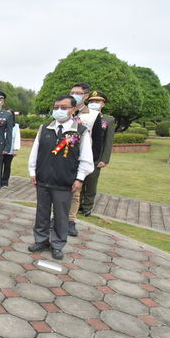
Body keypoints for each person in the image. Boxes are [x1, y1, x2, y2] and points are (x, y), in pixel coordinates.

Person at [28, 95, 94, 260]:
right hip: (43, 179)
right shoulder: (45, 128)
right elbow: (35, 151)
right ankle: (41, 240)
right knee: (41, 213)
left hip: (65, 182)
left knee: (61, 215)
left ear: (73, 110)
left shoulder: (80, 131)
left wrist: (79, 178)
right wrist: (32, 171)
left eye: (64, 107)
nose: (59, 110)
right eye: (56, 107)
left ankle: (57, 244)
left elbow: (86, 159)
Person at [66, 82, 103, 236]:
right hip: (62, 157)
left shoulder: (93, 115)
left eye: (78, 92)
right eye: (72, 92)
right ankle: (57, 218)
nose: (74, 94)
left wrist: (90, 163)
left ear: (86, 96)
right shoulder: (65, 111)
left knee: (75, 192)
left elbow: (97, 142)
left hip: (80, 159)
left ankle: (70, 221)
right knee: (59, 191)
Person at [80, 91, 115, 216]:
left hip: (96, 156)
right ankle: (77, 204)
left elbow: (108, 141)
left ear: (103, 104)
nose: (94, 104)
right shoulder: (83, 116)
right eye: (92, 101)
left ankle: (87, 206)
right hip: (81, 153)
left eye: (97, 101)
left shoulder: (108, 120)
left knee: (91, 182)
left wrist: (104, 159)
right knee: (79, 180)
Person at [1, 111, 21, 187]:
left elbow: (17, 138)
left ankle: (5, 181)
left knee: (7, 165)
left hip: (10, 149)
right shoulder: (1, 124)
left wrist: (15, 149)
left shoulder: (15, 126)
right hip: (0, 148)